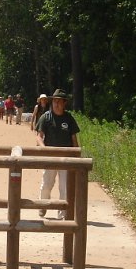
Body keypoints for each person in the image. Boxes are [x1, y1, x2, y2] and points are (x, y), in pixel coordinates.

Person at [34, 88, 80, 219]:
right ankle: (43, 206)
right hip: (50, 156)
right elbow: (39, 136)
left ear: (64, 103)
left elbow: (74, 139)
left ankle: (62, 213)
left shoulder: (69, 118)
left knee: (65, 187)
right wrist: (44, 149)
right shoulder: (46, 117)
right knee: (46, 184)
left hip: (66, 158)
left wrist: (77, 157)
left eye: (59, 101)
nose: (56, 104)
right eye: (55, 101)